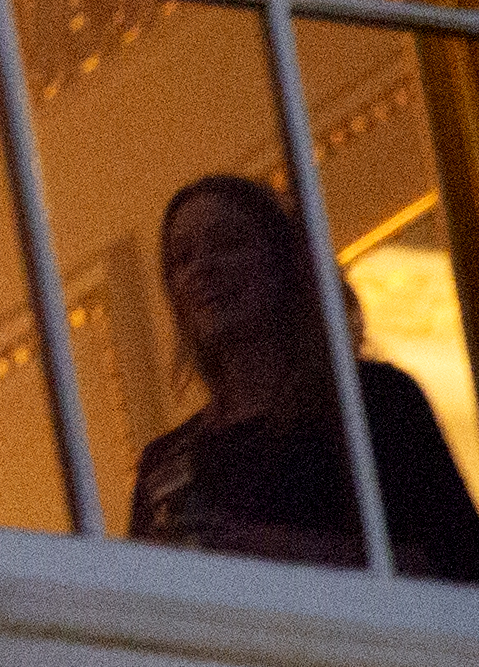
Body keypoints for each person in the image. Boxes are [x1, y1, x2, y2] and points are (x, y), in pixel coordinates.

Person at [127, 174, 479, 581]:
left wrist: (260, 548)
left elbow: (456, 572)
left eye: (228, 244)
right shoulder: (165, 465)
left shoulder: (372, 401)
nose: (203, 268)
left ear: (283, 264)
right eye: (182, 258)